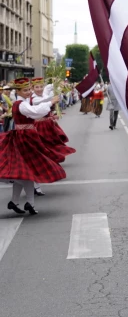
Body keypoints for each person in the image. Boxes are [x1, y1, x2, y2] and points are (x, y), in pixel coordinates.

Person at [0, 78, 65, 215]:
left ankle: (17, 201)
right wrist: (50, 102)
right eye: (25, 90)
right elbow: (35, 111)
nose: (29, 92)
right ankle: (28, 202)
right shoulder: (21, 104)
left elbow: (36, 106)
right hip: (24, 138)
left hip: (27, 136)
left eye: (29, 89)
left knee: (24, 173)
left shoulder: (23, 102)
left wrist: (50, 100)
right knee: (27, 172)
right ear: (17, 91)